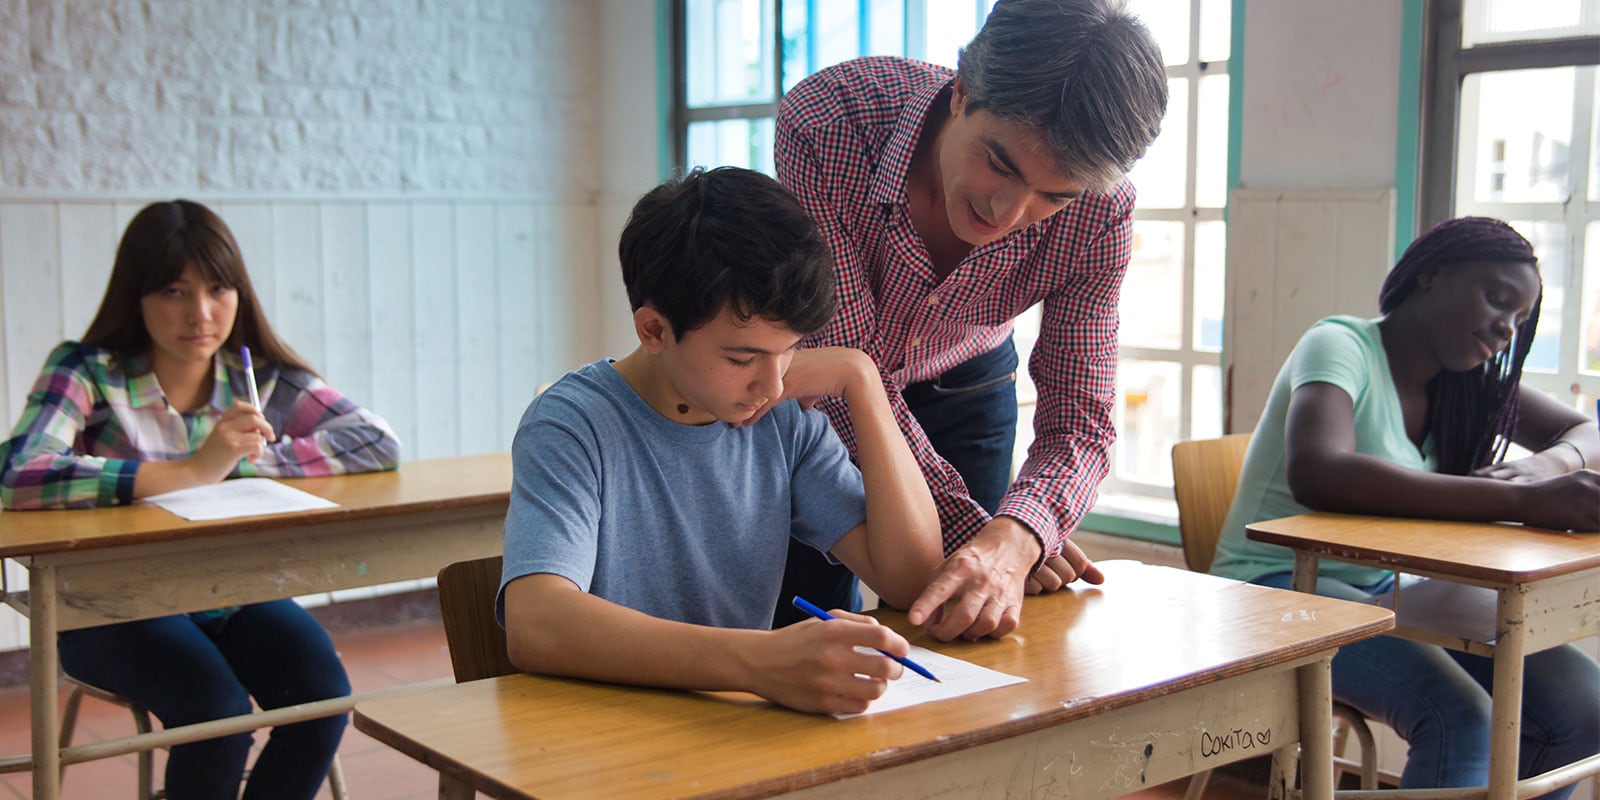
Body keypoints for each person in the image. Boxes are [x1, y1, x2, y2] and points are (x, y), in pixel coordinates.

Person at [768, 0, 1169, 639]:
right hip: (820, 388)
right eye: (1000, 164)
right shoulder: (832, 119)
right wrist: (980, 535)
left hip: (966, 383)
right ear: (961, 92)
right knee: (800, 612)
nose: (1007, 211)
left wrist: (1018, 535)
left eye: (1053, 196)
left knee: (969, 630)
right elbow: (845, 365)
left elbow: (1081, 416)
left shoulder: (1101, 212)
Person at [497, 166, 943, 715]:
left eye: (790, 350)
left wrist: (862, 380)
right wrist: (759, 662)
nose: (774, 383)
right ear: (654, 330)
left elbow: (911, 579)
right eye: (742, 357)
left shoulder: (779, 417)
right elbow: (536, 622)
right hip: (608, 734)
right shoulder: (572, 423)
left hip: (735, 729)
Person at [0, 200, 402, 799]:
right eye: (172, 291)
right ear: (135, 296)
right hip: (108, 608)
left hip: (232, 594)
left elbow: (376, 442)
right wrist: (190, 470)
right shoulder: (88, 371)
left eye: (219, 288)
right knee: (217, 721)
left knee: (322, 703)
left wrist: (240, 463)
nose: (201, 313)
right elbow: (17, 474)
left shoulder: (260, 379)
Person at [1210, 217, 1600, 798]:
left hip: (1387, 590)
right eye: (1496, 299)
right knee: (1461, 719)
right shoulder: (1340, 342)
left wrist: (1549, 464)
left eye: (1519, 320)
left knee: (1584, 711)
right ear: (1431, 274)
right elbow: (1320, 472)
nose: (1505, 328)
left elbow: (1586, 428)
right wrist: (1521, 497)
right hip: (1274, 589)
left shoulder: (1463, 384)